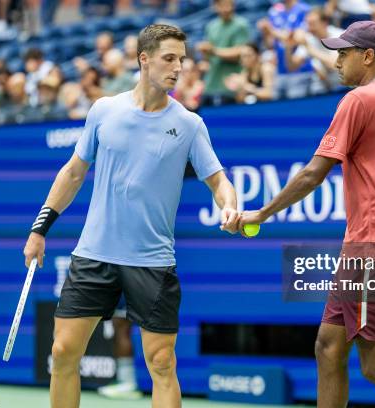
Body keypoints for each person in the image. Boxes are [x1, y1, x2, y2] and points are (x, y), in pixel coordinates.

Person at [238, 21, 375, 407]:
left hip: (371, 249)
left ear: (368, 56)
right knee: (328, 347)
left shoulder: (357, 101)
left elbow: (313, 174)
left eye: (343, 54)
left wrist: (261, 213)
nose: (337, 61)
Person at [22, 24, 240, 408]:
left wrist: (230, 204)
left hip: (152, 262)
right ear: (144, 59)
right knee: (63, 353)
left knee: (161, 362)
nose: (177, 67)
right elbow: (73, 173)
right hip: (94, 254)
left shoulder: (189, 125)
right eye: (169, 58)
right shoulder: (105, 110)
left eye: (182, 60)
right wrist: (40, 229)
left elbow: (219, 180)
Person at [196, 0, 250, 106]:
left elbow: (240, 53)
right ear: (215, 7)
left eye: (229, 5)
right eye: (221, 5)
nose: (226, 9)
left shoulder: (241, 25)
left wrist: (213, 51)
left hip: (231, 85)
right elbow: (207, 58)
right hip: (211, 84)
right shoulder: (211, 26)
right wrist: (204, 51)